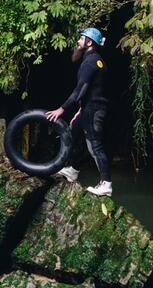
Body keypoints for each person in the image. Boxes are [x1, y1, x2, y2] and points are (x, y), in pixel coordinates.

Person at [45, 28, 112, 196]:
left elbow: (80, 90)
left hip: (94, 109)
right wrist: (81, 109)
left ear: (89, 43)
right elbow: (95, 89)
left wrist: (62, 109)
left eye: (81, 38)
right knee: (73, 132)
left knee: (94, 145)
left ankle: (106, 184)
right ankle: (72, 169)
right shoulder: (94, 60)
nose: (78, 41)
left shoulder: (91, 62)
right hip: (89, 107)